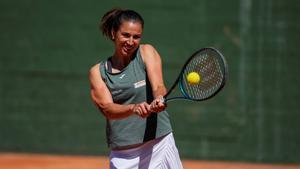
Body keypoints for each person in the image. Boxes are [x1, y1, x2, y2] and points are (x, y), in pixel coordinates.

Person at [89, 8, 183, 169]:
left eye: (136, 37)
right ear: (113, 33)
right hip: (124, 155)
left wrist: (160, 98)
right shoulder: (98, 72)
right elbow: (107, 109)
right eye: (125, 35)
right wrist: (134, 108)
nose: (131, 41)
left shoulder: (147, 52)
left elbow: (159, 86)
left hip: (159, 144)